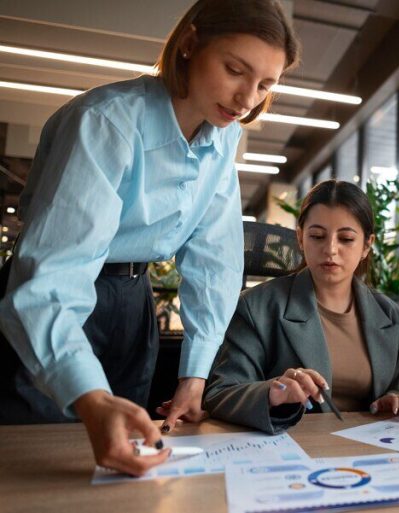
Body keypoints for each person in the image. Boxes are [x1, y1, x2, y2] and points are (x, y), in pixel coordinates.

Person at [0, 0, 299, 476]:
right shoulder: (107, 121)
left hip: (133, 304)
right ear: (189, 45)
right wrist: (88, 397)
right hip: (60, 301)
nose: (247, 99)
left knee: (124, 464)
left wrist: (195, 373)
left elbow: (215, 260)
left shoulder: (222, 136)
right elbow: (51, 279)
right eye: (234, 70)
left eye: (265, 85)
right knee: (38, 462)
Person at [204, 180, 399, 434]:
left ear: (366, 245)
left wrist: (395, 398)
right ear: (300, 237)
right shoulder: (256, 307)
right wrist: (273, 393)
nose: (330, 249)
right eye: (317, 236)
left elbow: (398, 386)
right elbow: (221, 393)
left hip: (372, 451)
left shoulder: (389, 314)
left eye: (346, 239)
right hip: (292, 450)